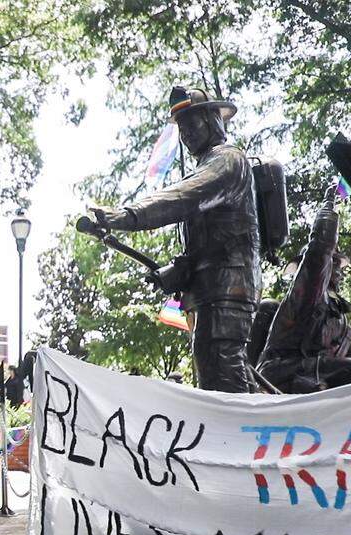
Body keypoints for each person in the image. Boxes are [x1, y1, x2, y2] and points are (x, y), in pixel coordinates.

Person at [88, 86, 261, 393]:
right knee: (222, 378)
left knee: (224, 386)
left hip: (226, 290)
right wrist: (180, 271)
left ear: (213, 119)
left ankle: (241, 440)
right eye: (181, 128)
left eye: (191, 123)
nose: (186, 134)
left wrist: (128, 216)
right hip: (213, 291)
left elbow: (183, 198)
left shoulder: (227, 160)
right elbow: (210, 241)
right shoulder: (210, 163)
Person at [257, 190, 351, 393]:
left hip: (316, 375)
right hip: (282, 371)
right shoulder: (307, 296)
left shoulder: (343, 324)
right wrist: (329, 209)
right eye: (332, 262)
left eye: (337, 264)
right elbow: (319, 251)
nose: (337, 269)